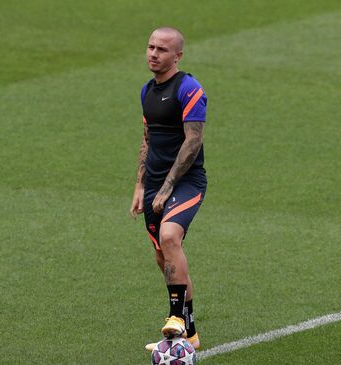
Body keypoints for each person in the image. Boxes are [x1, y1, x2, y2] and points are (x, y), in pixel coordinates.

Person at [129, 26, 207, 351]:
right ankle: (189, 332)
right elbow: (148, 141)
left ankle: (174, 316)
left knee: (170, 237)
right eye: (150, 47)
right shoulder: (147, 91)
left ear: (178, 55)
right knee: (163, 258)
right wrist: (140, 185)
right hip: (154, 186)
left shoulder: (189, 89)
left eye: (162, 49)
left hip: (186, 182)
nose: (153, 53)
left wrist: (168, 186)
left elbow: (193, 140)